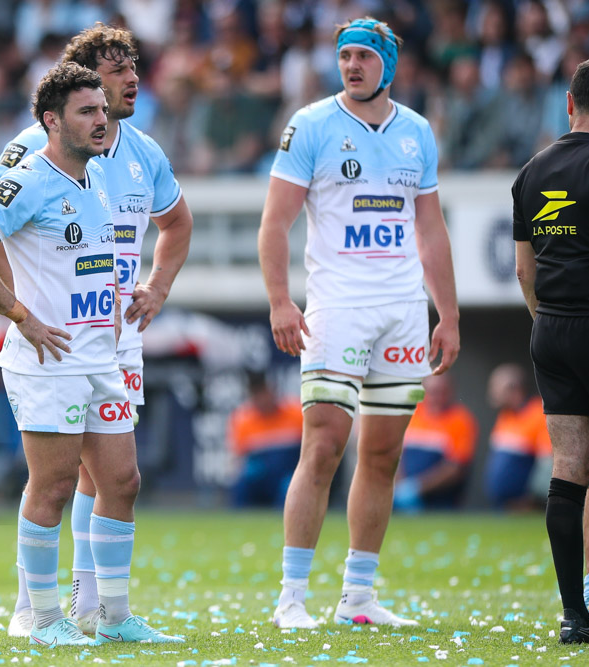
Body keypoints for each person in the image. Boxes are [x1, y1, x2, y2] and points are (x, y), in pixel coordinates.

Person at [0, 23, 192, 637]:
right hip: (54, 344)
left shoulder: (131, 157)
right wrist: (24, 310)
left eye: (132, 68)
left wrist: (154, 288)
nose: (131, 79)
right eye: (115, 71)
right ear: (64, 105)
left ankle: (101, 611)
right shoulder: (32, 159)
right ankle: (34, 610)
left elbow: (169, 227)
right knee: (58, 479)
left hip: (111, 343)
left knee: (115, 478)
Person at [257, 16, 460, 629]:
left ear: (388, 66)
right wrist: (280, 301)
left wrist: (446, 314)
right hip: (337, 308)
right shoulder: (312, 125)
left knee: (383, 456)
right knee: (322, 445)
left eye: (364, 57)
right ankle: (292, 597)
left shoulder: (418, 132)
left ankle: (359, 597)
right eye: (344, 54)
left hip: (401, 311)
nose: (352, 64)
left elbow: (430, 230)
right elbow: (274, 223)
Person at [512, 56, 589, 644]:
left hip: (552, 329)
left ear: (568, 105)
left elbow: (525, 271)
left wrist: (548, 322)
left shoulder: (532, 171)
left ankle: (578, 614)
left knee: (569, 473)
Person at [394, 373, 477, 511]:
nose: (437, 397)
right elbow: (397, 451)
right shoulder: (413, 413)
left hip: (441, 501)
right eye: (432, 392)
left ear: (451, 391)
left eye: (442, 391)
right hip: (404, 498)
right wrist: (400, 484)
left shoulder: (461, 420)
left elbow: (456, 467)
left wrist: (418, 487)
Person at [226, 372, 303, 507]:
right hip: (261, 476)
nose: (262, 398)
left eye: (264, 392)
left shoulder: (296, 413)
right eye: (257, 393)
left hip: (288, 473)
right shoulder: (243, 419)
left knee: (291, 487)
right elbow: (238, 459)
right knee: (243, 483)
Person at [483, 362, 551, 510]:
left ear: (513, 388)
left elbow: (547, 463)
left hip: (525, 508)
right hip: (502, 505)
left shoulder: (538, 412)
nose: (491, 392)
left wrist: (533, 500)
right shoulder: (505, 415)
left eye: (495, 387)